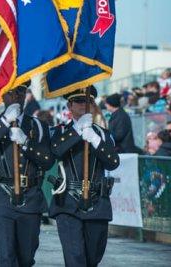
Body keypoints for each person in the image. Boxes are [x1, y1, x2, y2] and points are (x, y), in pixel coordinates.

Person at [0, 81, 54, 267]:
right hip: (1, 195)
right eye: (11, 92)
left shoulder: (38, 125)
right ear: (3, 95)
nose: (17, 97)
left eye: (21, 92)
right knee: (5, 255)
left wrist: (26, 142)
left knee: (26, 257)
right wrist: (4, 122)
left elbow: (47, 160)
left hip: (30, 195)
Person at [49, 86, 120, 267]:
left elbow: (113, 162)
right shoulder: (60, 132)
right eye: (79, 101)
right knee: (75, 259)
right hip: (68, 202)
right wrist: (77, 131)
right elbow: (55, 151)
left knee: (92, 258)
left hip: (97, 203)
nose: (83, 105)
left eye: (87, 101)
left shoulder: (103, 134)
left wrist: (95, 139)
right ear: (69, 105)